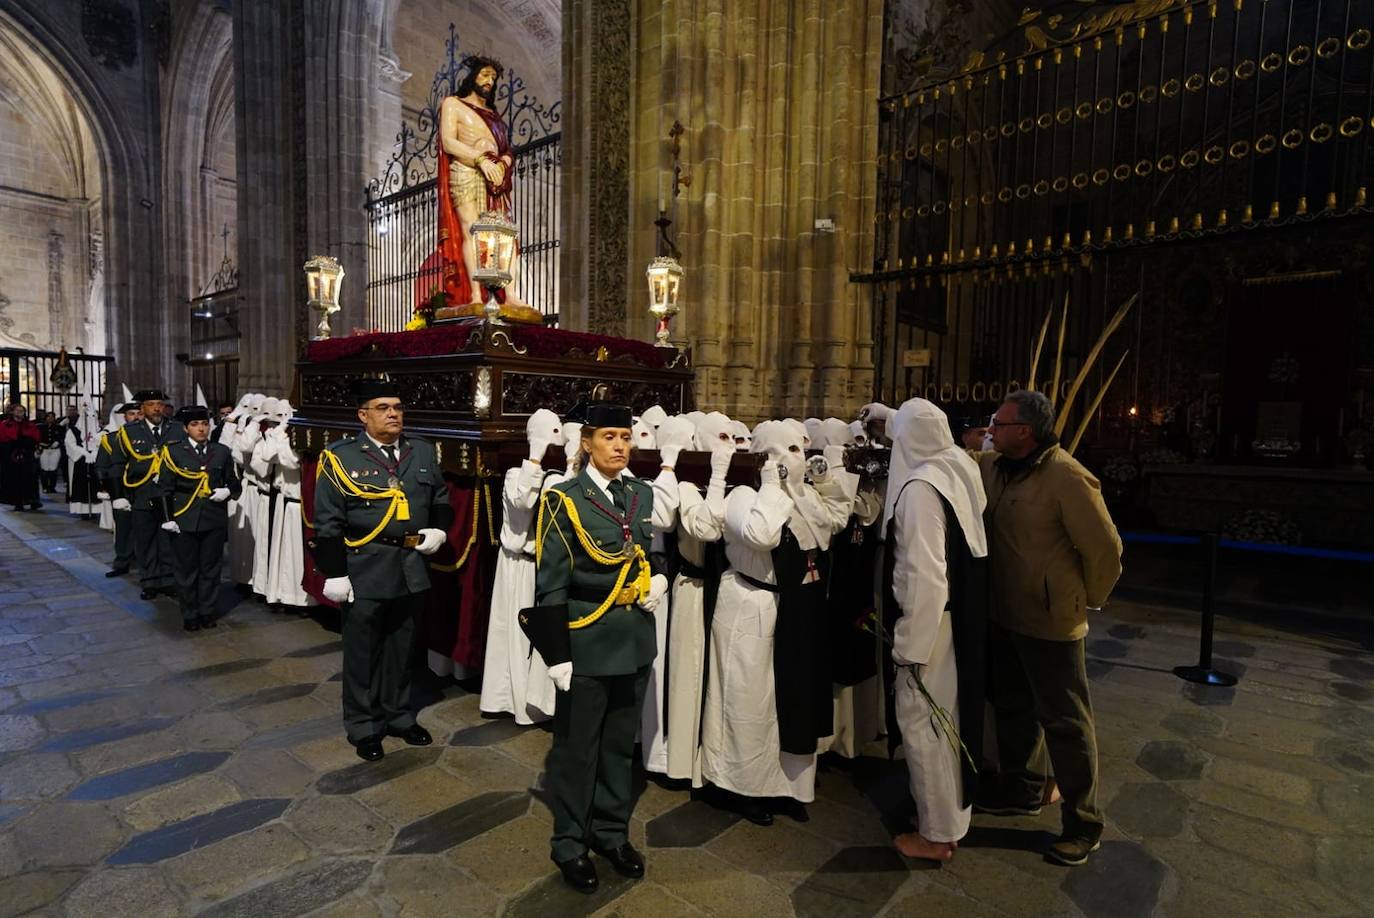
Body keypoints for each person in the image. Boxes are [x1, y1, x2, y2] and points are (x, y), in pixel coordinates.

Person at [975, 389, 1123, 867]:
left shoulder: (1066, 476)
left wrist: (1084, 600)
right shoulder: (995, 467)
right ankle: (1019, 791)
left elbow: (1105, 550)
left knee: (1066, 720)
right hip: (1005, 613)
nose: (990, 429)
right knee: (1013, 708)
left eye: (999, 422)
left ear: (1026, 431)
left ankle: (1084, 824)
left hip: (1052, 622)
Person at [530, 402, 668, 892]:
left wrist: (661, 578)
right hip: (587, 637)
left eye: (625, 437)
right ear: (586, 442)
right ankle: (569, 840)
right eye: (609, 436)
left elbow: (651, 550)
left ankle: (610, 832)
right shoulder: (564, 498)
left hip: (633, 638)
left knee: (617, 747)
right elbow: (550, 583)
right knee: (576, 748)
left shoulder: (641, 494)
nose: (619, 446)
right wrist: (557, 652)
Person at [700, 420, 855, 826]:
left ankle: (790, 787)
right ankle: (742, 786)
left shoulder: (802, 498)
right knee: (750, 703)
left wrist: (823, 478)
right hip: (750, 606)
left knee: (790, 701)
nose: (793, 460)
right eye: (781, 452)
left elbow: (837, 520)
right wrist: (772, 485)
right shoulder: (744, 495)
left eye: (797, 450)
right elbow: (761, 534)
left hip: (795, 610)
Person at [312, 378, 452, 762]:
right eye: (383, 408)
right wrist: (335, 573)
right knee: (363, 653)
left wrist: (439, 528)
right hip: (365, 568)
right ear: (363, 415)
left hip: (410, 566)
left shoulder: (420, 451)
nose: (393, 414)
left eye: (398, 408)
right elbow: (327, 522)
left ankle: (399, 716)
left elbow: (439, 496)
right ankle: (364, 725)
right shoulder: (341, 456)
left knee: (402, 649)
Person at [883, 398, 989, 862]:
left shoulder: (920, 490)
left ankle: (935, 834)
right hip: (957, 620)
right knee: (948, 723)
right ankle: (947, 817)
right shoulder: (956, 468)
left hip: (931, 626)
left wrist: (909, 644)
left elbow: (925, 575)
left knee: (924, 726)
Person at [479, 409, 568, 725]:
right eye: (552, 433)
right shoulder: (518, 475)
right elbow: (522, 506)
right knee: (516, 636)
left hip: (542, 566)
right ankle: (510, 700)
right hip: (519, 564)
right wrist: (535, 455)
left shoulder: (558, 476)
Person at [436, 56, 536, 317]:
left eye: (493, 78)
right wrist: (479, 159)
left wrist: (503, 162)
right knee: (472, 232)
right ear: (472, 77)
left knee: (505, 235)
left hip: (495, 177)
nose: (490, 82)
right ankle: (474, 294)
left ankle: (511, 295)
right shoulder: (453, 104)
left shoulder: (494, 115)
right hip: (467, 171)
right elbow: (448, 142)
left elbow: (506, 150)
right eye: (485, 75)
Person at [157, 406, 241, 632]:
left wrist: (227, 491)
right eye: (195, 425)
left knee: (211, 569)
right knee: (186, 570)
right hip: (184, 519)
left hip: (213, 519)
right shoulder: (174, 452)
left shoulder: (221, 451)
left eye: (204, 424)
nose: (201, 429)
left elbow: (235, 483)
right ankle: (190, 613)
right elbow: (164, 487)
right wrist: (168, 518)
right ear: (186, 429)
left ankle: (207, 610)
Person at [108, 389, 186, 600]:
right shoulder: (129, 432)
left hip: (170, 495)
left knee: (168, 539)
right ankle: (150, 581)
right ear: (142, 408)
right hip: (141, 493)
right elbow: (116, 465)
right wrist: (118, 496)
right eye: (151, 404)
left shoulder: (178, 429)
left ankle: (168, 579)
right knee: (146, 539)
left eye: (159, 403)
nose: (156, 408)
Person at [96, 402, 141, 575]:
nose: (136, 417)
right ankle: (122, 562)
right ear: (124, 417)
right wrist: (111, 491)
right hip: (121, 490)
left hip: (144, 491)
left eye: (139, 413)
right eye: (132, 413)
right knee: (123, 528)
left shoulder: (152, 439)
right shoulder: (111, 439)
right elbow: (102, 466)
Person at [0, 404, 43, 512]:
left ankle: (33, 500)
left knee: (31, 478)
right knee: (14, 479)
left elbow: (36, 437)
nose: (20, 413)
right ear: (12, 412)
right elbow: (2, 438)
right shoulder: (4, 424)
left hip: (27, 454)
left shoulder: (30, 424)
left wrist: (29, 444)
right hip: (10, 455)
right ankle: (17, 502)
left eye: (22, 411)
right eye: (18, 410)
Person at [63, 403, 103, 519]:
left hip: (95, 462)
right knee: (80, 485)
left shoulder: (99, 431)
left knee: (96, 485)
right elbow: (70, 444)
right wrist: (84, 453)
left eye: (92, 416)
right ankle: (83, 511)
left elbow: (103, 443)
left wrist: (95, 453)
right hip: (79, 462)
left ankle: (95, 510)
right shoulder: (74, 430)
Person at [38, 411, 63, 494]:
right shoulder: (40, 427)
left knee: (53, 469)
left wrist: (58, 442)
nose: (50, 418)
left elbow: (62, 437)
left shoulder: (59, 427)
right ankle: (45, 487)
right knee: (44, 469)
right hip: (44, 450)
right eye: (48, 416)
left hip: (55, 450)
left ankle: (52, 487)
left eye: (52, 417)